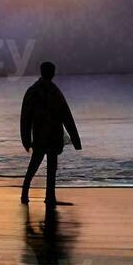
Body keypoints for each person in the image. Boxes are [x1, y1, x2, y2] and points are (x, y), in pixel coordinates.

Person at [20, 61, 81, 205]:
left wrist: (26, 138)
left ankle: (42, 195)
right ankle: (38, 195)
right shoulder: (47, 91)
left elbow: (25, 117)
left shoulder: (36, 90)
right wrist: (75, 139)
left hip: (47, 135)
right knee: (40, 165)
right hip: (47, 135)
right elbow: (66, 116)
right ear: (51, 73)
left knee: (40, 165)